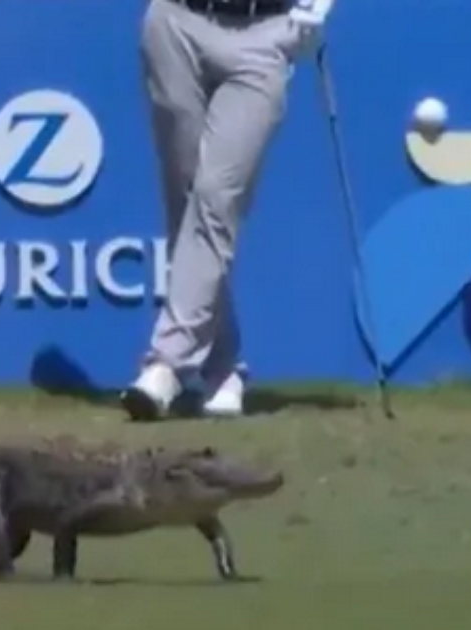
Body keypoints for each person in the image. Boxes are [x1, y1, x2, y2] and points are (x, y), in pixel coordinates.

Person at [121, 0, 334, 420]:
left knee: (217, 195)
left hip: (266, 30)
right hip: (177, 21)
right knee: (185, 202)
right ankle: (223, 369)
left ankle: (166, 363)